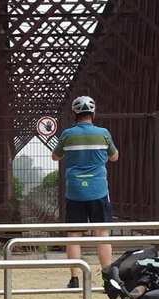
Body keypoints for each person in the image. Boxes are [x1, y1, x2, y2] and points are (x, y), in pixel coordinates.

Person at [52, 95, 119, 288]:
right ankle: (109, 280)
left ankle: (74, 279)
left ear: (75, 113)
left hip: (75, 192)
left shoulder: (67, 134)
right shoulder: (103, 133)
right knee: (102, 234)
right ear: (93, 113)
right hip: (98, 190)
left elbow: (55, 156)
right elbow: (114, 157)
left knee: (73, 235)